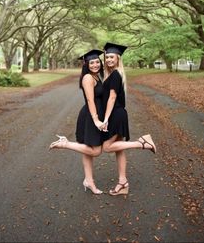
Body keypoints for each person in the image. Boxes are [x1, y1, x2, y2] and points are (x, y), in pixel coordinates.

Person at [101, 42, 156, 196]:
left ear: (118, 58)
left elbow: (112, 98)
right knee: (119, 149)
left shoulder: (116, 75)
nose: (108, 60)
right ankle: (123, 182)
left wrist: (105, 119)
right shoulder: (113, 74)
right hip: (119, 114)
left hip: (115, 115)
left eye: (111, 57)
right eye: (107, 57)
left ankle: (142, 143)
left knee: (106, 147)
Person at [49, 49, 105, 194]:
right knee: (96, 151)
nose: (95, 64)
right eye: (91, 62)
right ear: (86, 64)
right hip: (91, 117)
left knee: (87, 151)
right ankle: (65, 144)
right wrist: (96, 120)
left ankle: (89, 181)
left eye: (97, 62)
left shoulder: (97, 76)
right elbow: (90, 100)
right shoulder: (88, 78)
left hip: (94, 116)